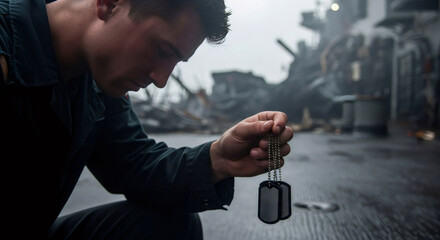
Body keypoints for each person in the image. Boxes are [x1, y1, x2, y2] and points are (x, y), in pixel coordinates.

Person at [0, 0, 294, 239]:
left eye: (174, 62)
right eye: (162, 51)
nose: (162, 79)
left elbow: (135, 165)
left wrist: (217, 158)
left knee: (169, 228)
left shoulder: (96, 84)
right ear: (109, 3)